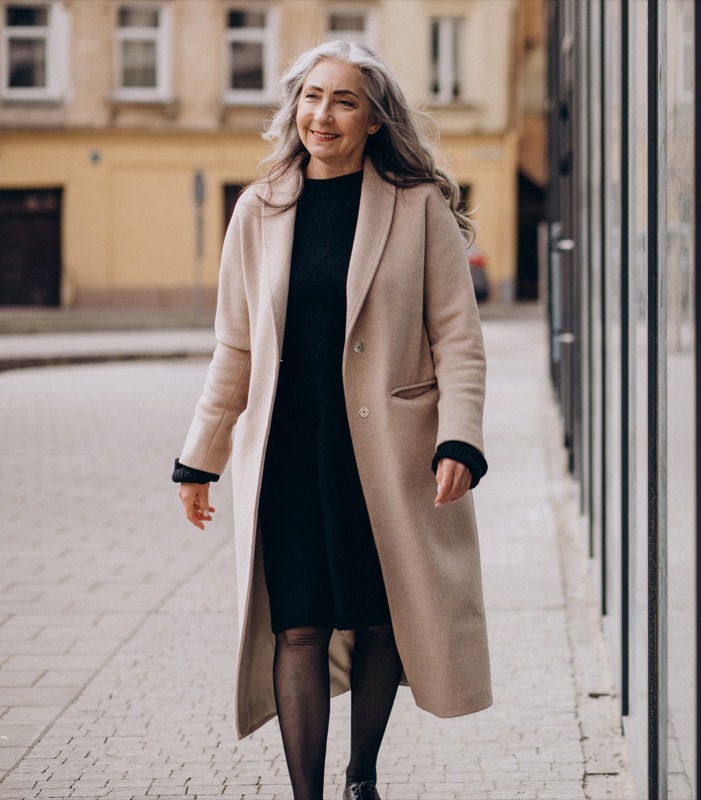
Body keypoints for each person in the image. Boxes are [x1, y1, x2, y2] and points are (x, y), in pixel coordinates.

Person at [173, 39, 490, 800]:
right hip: (286, 452)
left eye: (345, 100)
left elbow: (458, 337)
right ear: (294, 107)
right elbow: (235, 345)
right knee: (299, 626)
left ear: (376, 119)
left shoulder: (418, 206)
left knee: (378, 619)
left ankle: (362, 777)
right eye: (312, 97)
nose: (323, 114)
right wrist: (199, 458)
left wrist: (461, 439)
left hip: (385, 452)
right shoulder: (260, 208)